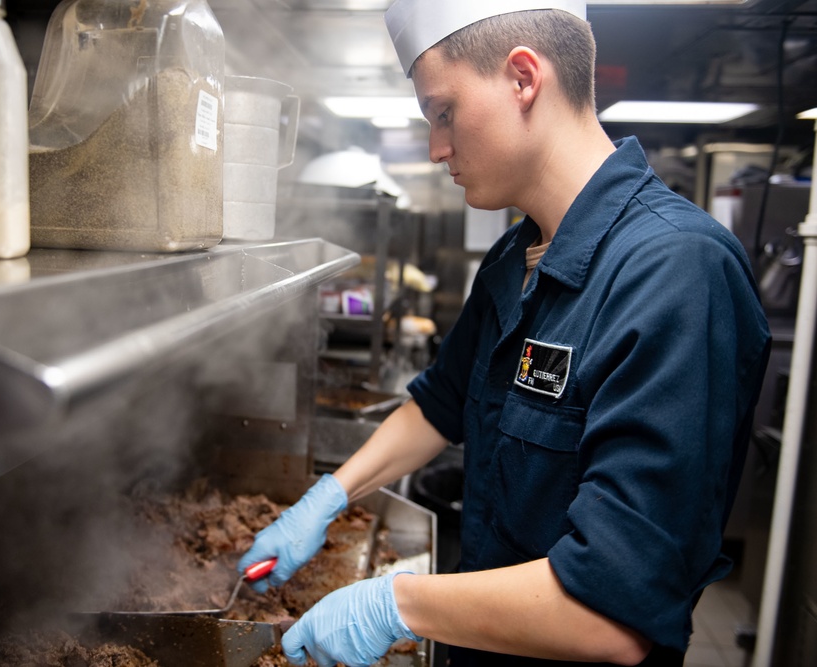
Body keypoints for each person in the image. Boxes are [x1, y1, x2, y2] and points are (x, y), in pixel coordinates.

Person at [238, 1, 772, 665]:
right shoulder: (513, 258)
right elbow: (440, 403)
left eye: (442, 112)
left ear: (523, 78)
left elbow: (615, 612)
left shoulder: (678, 272)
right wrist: (326, 497)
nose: (436, 148)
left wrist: (395, 602)